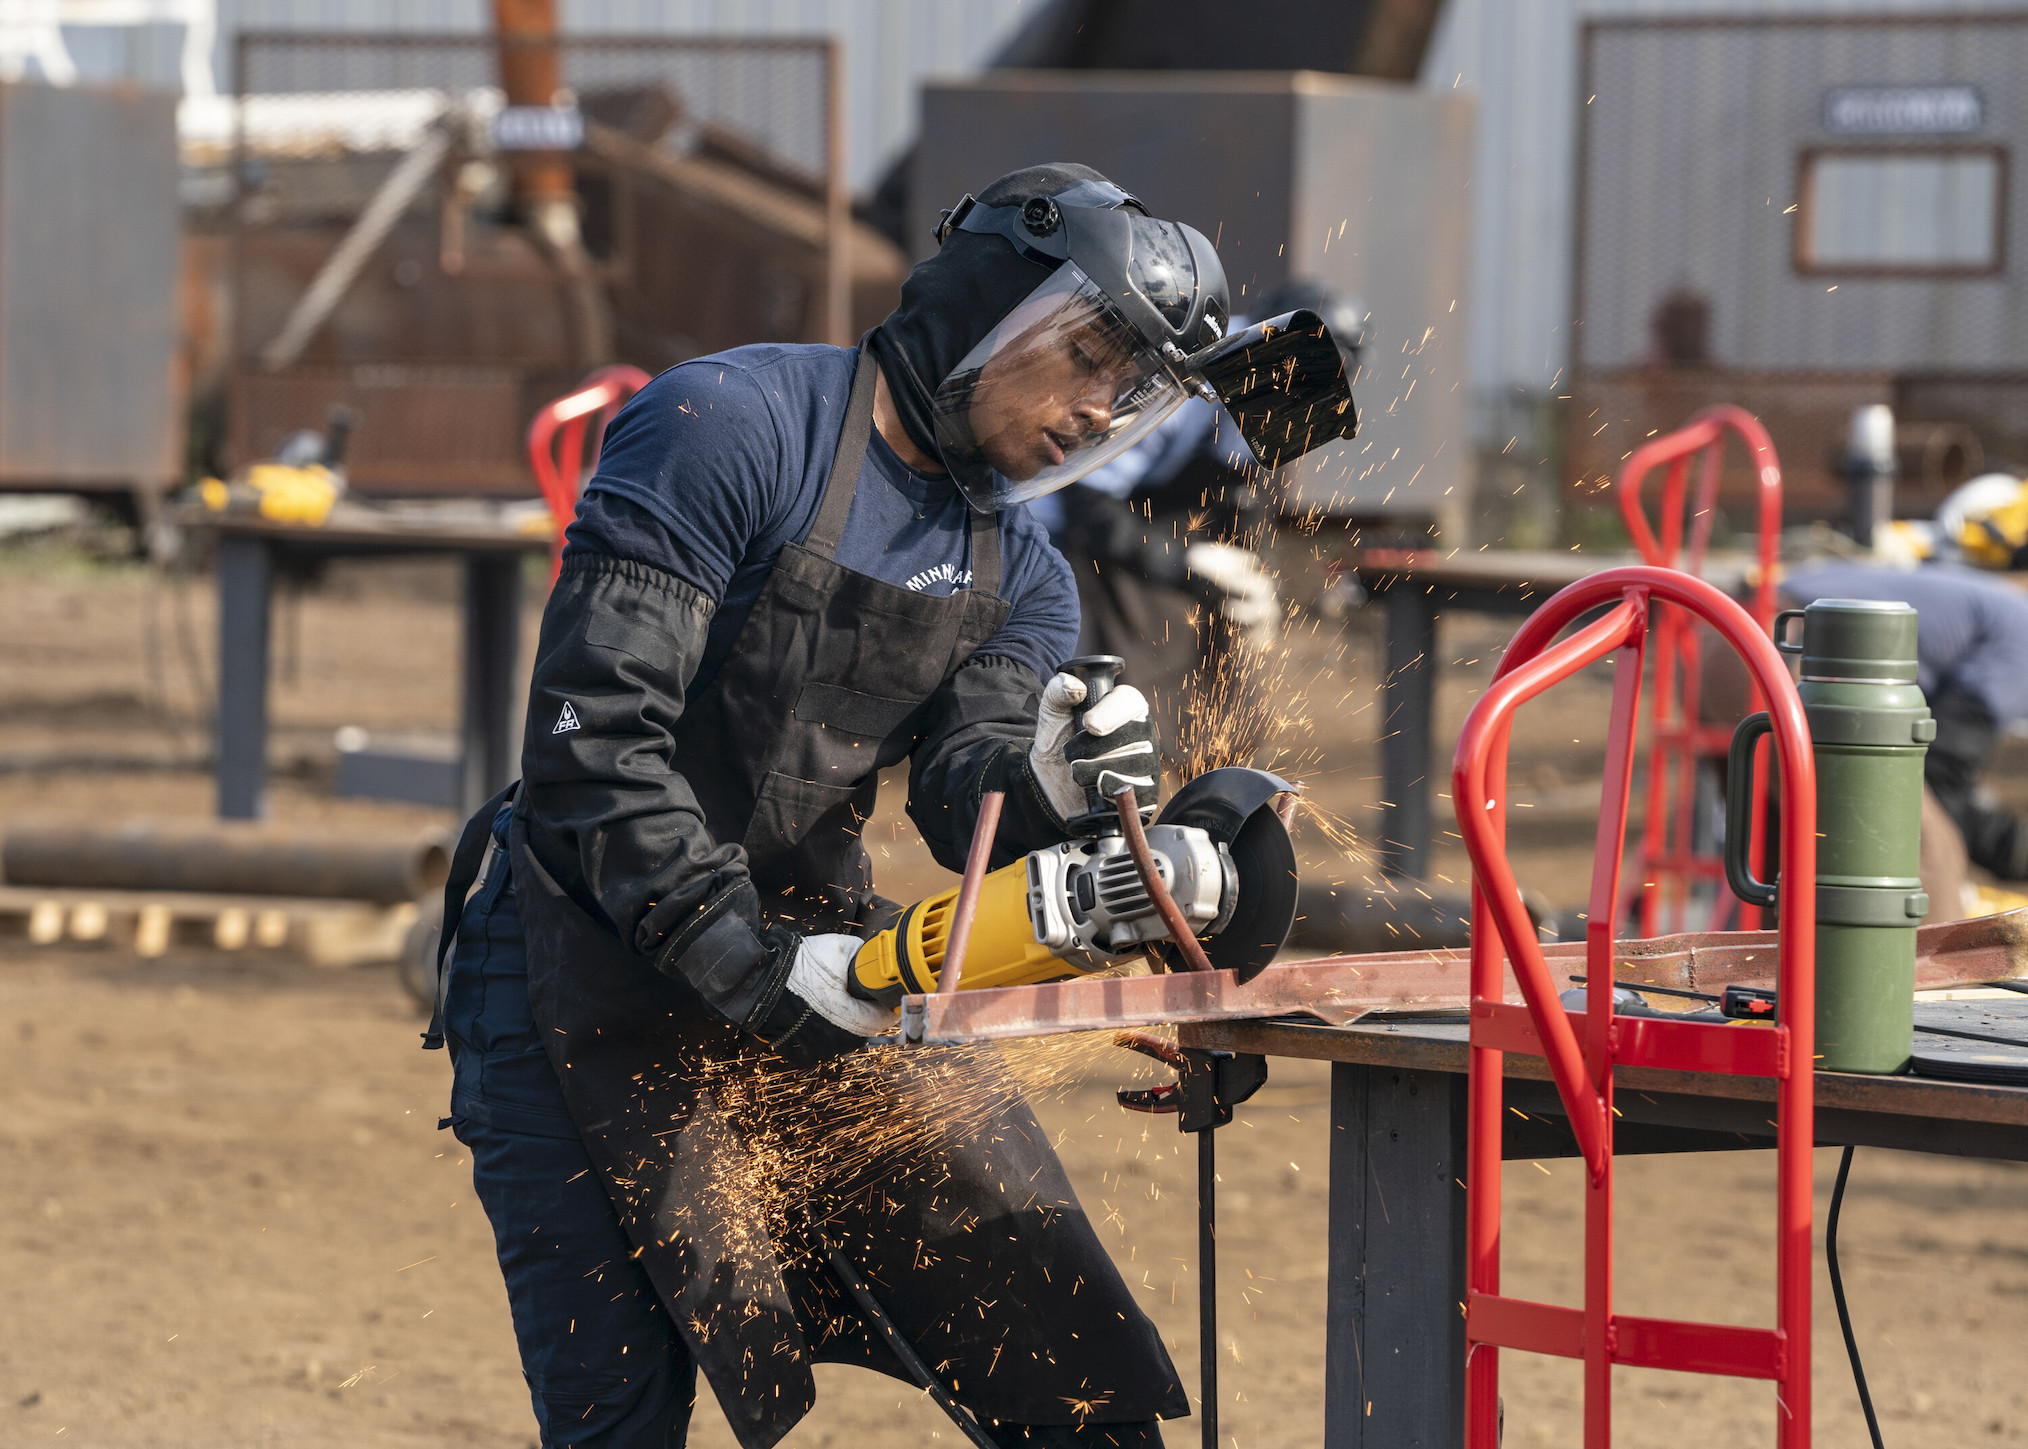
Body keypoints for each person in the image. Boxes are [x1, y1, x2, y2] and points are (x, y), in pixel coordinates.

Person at [424, 163, 1358, 1449]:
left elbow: (969, 786)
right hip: (572, 968)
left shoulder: (1023, 566)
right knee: (618, 1410)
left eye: (1129, 388)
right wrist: (744, 966)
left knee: (1065, 1359)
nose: (1098, 410)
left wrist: (1069, 795)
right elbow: (594, 739)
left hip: (828, 969)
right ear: (988, 305)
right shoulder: (727, 425)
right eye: (1087, 354)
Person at [1036, 280, 1366, 768]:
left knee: (1229, 682)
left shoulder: (1282, 393)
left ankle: (1218, 784)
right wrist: (1184, 560)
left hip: (1161, 527)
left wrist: (1258, 587)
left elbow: (1244, 499)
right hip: (1073, 536)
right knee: (1126, 706)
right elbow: (1088, 511)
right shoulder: (1179, 379)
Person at [1782, 561, 2028, 881]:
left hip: (1745, 624)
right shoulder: (2019, 652)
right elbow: (1941, 771)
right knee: (1926, 846)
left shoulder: (2003, 611)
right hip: (1794, 653)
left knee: (1780, 848)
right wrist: (2010, 848)